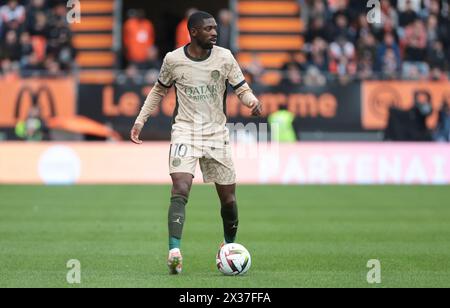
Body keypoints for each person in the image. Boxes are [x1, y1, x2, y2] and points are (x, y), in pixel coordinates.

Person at [130, 11, 262, 275]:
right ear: (193, 32)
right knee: (181, 185)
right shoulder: (173, 60)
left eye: (215, 28)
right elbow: (158, 90)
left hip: (216, 134)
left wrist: (251, 102)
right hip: (185, 131)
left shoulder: (224, 57)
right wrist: (140, 120)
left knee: (228, 199)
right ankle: (174, 251)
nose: (215, 32)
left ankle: (229, 248)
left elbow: (241, 87)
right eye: (209, 29)